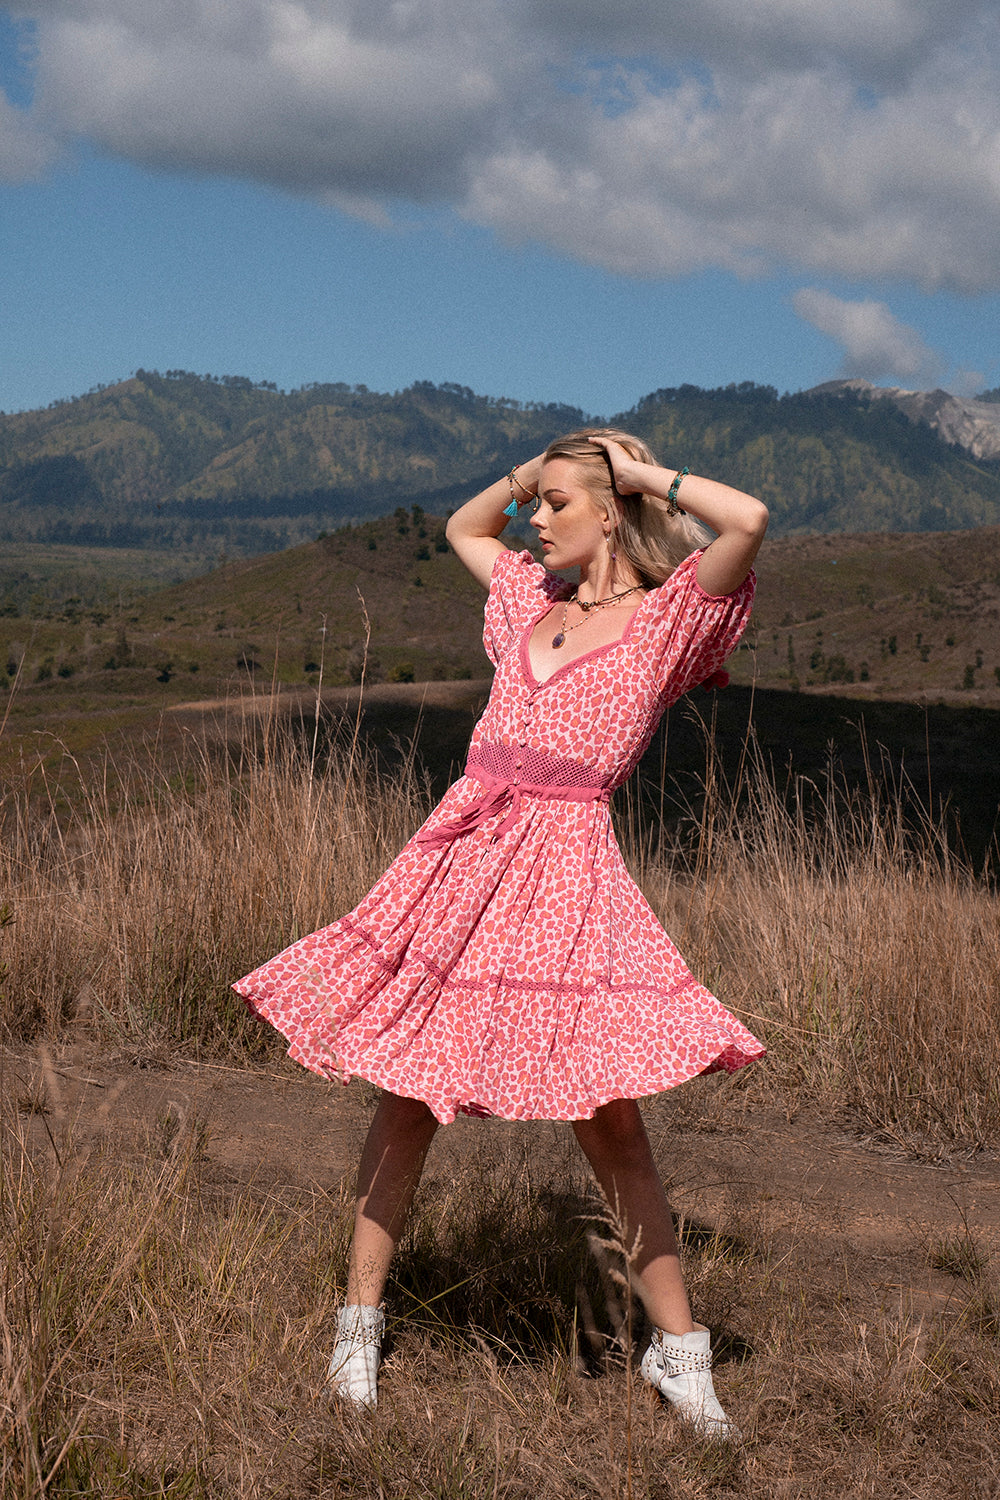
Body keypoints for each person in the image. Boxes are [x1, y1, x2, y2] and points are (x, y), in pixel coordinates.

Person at [233, 428, 768, 1439]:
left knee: (609, 1116)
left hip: (565, 880)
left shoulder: (666, 622)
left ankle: (679, 1355)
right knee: (410, 1093)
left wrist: (634, 470)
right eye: (536, 500)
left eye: (558, 502)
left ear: (612, 509)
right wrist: (539, 469)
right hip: (460, 863)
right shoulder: (527, 599)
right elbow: (463, 524)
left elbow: (747, 521)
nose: (532, 516)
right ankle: (358, 1327)